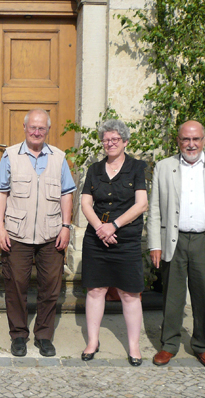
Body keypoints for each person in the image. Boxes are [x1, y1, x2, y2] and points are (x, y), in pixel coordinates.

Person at [148, 120, 205, 369]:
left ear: (204, 139)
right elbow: (155, 208)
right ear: (178, 140)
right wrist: (154, 244)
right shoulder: (164, 167)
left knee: (204, 297)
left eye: (196, 139)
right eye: (186, 139)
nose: (191, 144)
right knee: (172, 297)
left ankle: (201, 346)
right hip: (174, 240)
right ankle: (168, 345)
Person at [0, 109, 76, 357]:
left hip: (51, 234)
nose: (37, 132)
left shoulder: (59, 158)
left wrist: (66, 226)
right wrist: (0, 227)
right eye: (33, 127)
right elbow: (0, 192)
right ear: (25, 127)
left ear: (48, 130)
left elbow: (66, 194)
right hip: (16, 234)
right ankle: (18, 335)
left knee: (50, 287)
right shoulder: (9, 156)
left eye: (42, 128)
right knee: (16, 286)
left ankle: (43, 335)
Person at [79, 119, 148, 366]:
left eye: (115, 139)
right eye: (106, 140)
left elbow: (142, 204)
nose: (110, 143)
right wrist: (99, 227)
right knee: (95, 290)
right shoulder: (94, 169)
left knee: (130, 293)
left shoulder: (137, 167)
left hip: (126, 238)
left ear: (125, 142)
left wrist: (114, 225)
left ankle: (133, 346)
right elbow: (86, 203)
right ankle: (92, 341)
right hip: (97, 238)